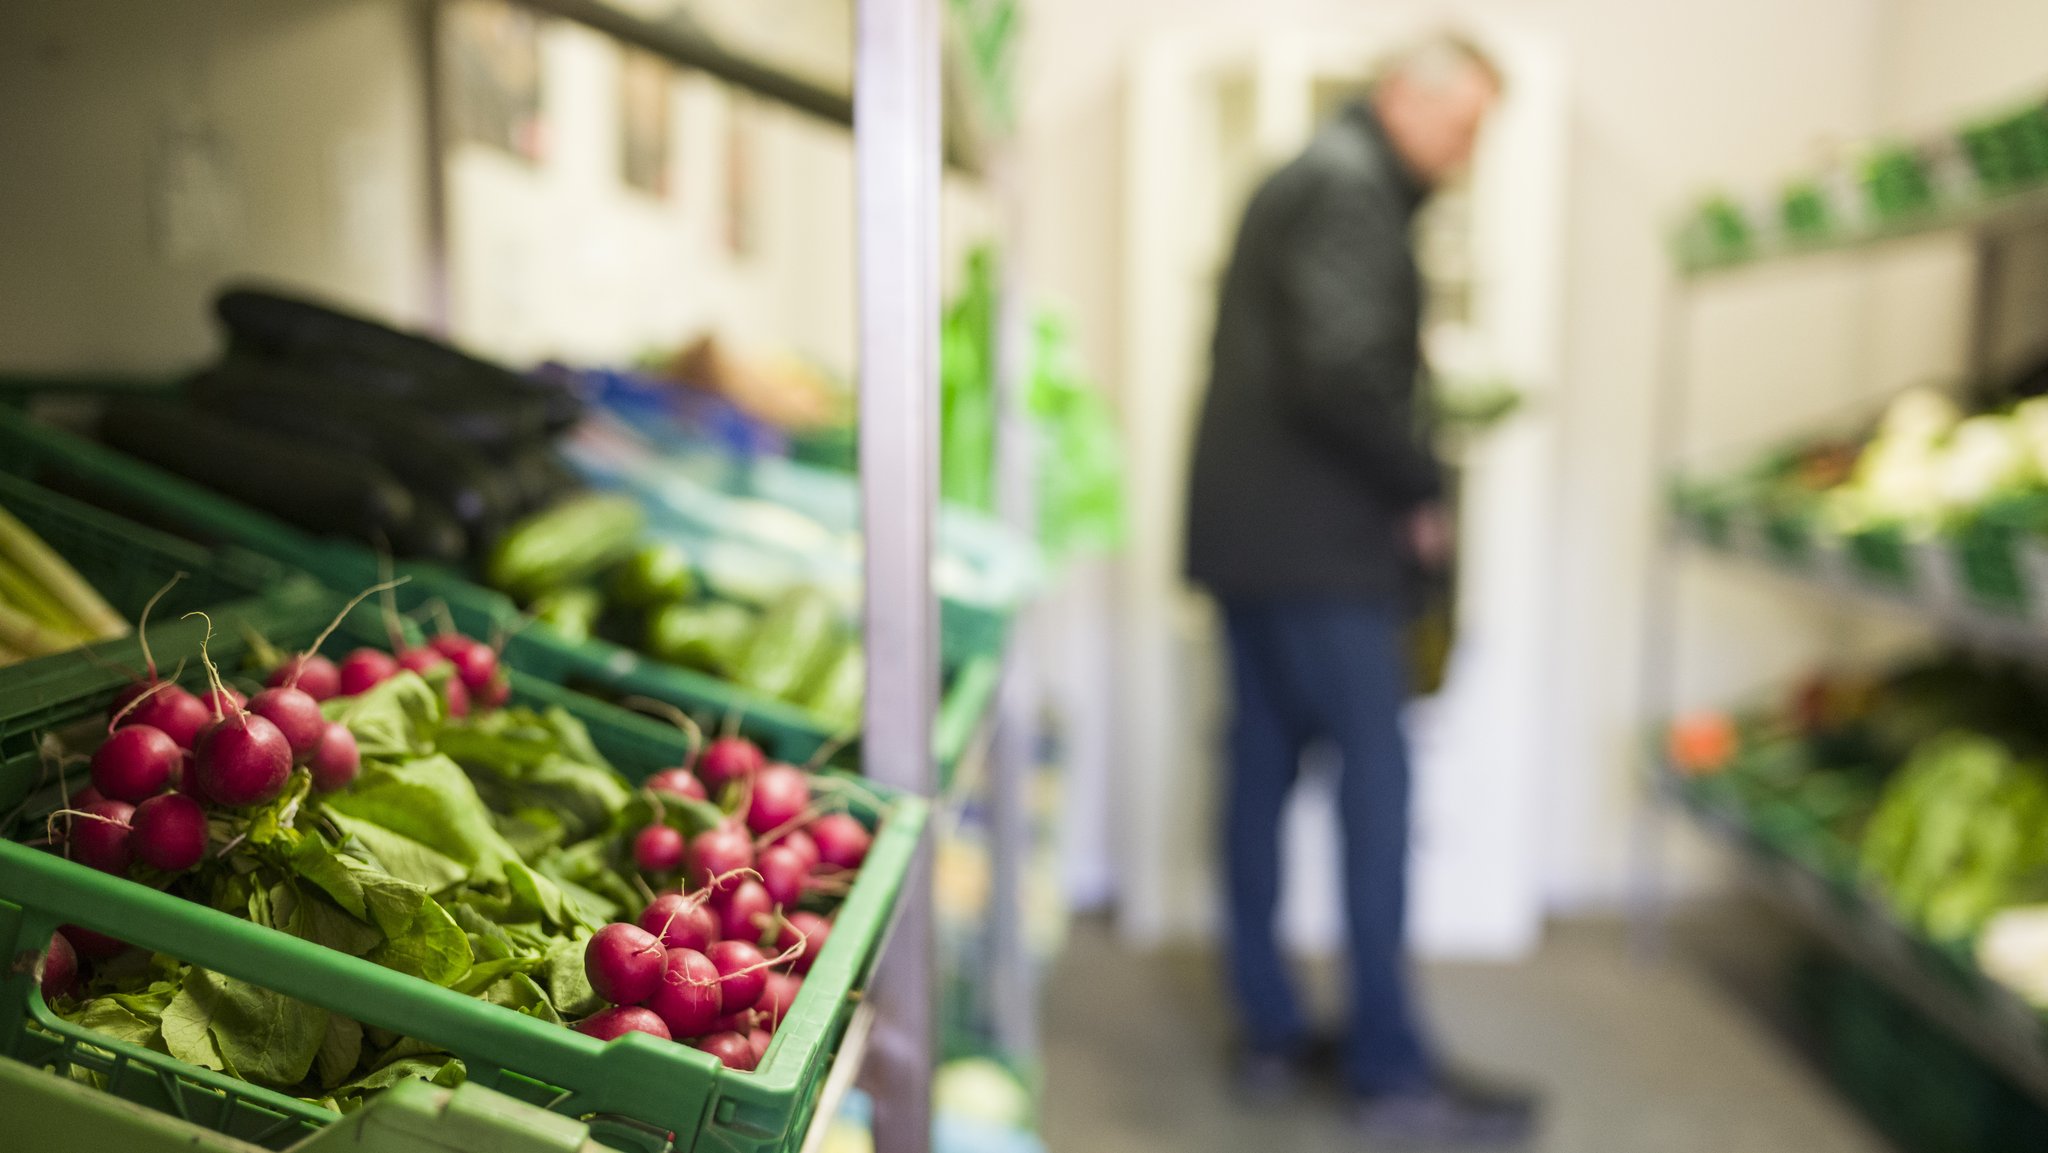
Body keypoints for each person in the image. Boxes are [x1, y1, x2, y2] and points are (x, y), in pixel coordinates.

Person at [1183, 33, 1535, 1145]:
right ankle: (1386, 1068)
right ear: (1403, 97)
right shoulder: (1349, 190)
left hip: (1256, 543)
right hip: (1322, 552)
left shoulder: (1306, 175)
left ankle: (1273, 1034)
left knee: (1257, 777)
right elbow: (1341, 369)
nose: (1466, 151)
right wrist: (1420, 483)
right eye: (1462, 124)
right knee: (1373, 797)